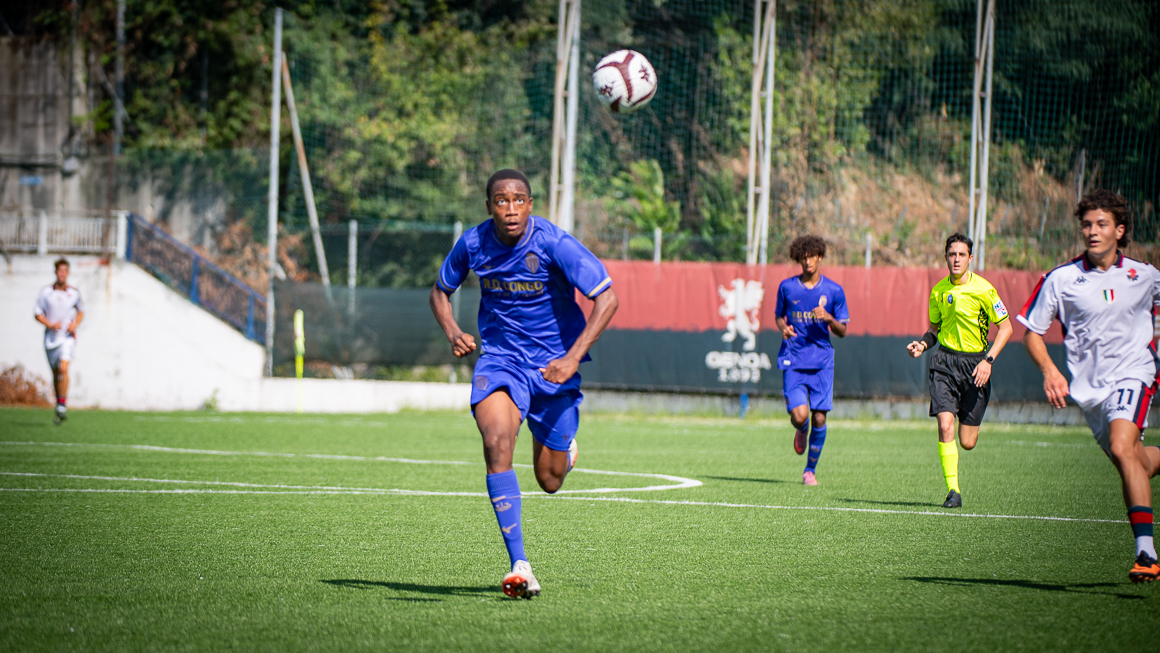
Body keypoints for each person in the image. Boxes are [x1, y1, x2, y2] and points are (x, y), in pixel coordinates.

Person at [429, 169, 618, 599]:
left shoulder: (555, 243)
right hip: (501, 362)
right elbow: (440, 292)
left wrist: (572, 358)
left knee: (549, 481)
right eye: (501, 200)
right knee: (496, 443)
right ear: (489, 206)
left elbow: (607, 299)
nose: (510, 208)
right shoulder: (474, 244)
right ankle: (520, 564)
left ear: (531, 204)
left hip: (554, 369)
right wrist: (453, 332)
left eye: (518, 200)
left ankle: (564, 452)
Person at [1019, 189, 1160, 583]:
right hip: (1089, 391)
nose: (1092, 232)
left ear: (1120, 230)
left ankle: (1146, 552)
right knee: (1134, 461)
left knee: (1121, 445)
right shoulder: (1062, 279)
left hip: (1136, 373)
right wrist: (1050, 371)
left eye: (1101, 224)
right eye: (1087, 225)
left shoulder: (1144, 275)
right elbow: (1031, 332)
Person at [907, 234, 1012, 508]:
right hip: (944, 363)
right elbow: (934, 330)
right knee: (944, 424)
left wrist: (988, 361)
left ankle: (969, 430)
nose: (956, 259)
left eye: (961, 255)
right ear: (946, 258)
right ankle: (953, 490)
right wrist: (922, 344)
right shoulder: (939, 291)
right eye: (951, 254)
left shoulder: (985, 290)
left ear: (970, 258)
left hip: (976, 365)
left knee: (967, 442)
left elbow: (1007, 328)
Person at [774, 235, 848, 486]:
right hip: (793, 359)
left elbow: (843, 330)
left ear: (820, 257)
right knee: (800, 416)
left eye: (812, 256)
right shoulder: (787, 287)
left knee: (819, 418)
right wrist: (783, 327)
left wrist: (828, 318)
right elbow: (779, 317)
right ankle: (800, 429)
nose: (808, 261)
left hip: (822, 362)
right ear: (799, 259)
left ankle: (810, 470)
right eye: (803, 257)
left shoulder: (834, 291)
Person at [34, 258, 84, 425]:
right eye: (59, 271)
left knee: (63, 368)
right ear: (56, 272)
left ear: (68, 273)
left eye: (65, 271)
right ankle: (59, 403)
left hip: (67, 338)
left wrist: (74, 324)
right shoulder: (46, 292)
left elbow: (81, 311)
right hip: (50, 338)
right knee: (56, 374)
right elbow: (37, 313)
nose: (62, 273)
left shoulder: (74, 293)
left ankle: (62, 405)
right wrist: (50, 324)